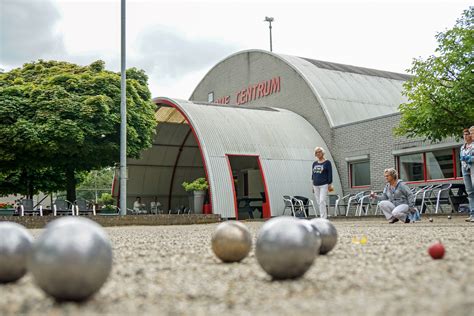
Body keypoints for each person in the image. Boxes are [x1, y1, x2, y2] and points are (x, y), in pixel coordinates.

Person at [311, 147, 333, 219]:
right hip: (315, 185)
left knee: (322, 201)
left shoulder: (327, 162)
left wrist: (329, 184)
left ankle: (323, 218)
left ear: (323, 153)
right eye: (316, 152)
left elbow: (330, 174)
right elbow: (313, 175)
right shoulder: (314, 163)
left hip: (324, 184)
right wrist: (312, 185)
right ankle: (323, 216)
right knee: (318, 202)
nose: (318, 153)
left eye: (319, 152)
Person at [461, 128, 473, 222]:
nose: (465, 136)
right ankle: (472, 213)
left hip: (472, 168)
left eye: (466, 134)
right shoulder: (462, 147)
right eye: (464, 134)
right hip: (465, 169)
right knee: (469, 192)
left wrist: (470, 158)